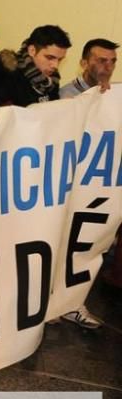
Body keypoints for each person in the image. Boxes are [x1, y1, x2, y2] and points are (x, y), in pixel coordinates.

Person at [56, 37, 117, 329]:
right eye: (100, 60)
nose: (107, 67)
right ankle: (53, 304)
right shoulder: (68, 94)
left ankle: (73, 302)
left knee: (90, 248)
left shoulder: (114, 98)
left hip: (98, 187)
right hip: (69, 188)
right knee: (62, 247)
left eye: (112, 61)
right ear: (84, 63)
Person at [0, 25, 72, 106]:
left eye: (60, 59)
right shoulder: (7, 77)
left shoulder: (53, 80)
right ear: (32, 51)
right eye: (50, 58)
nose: (55, 66)